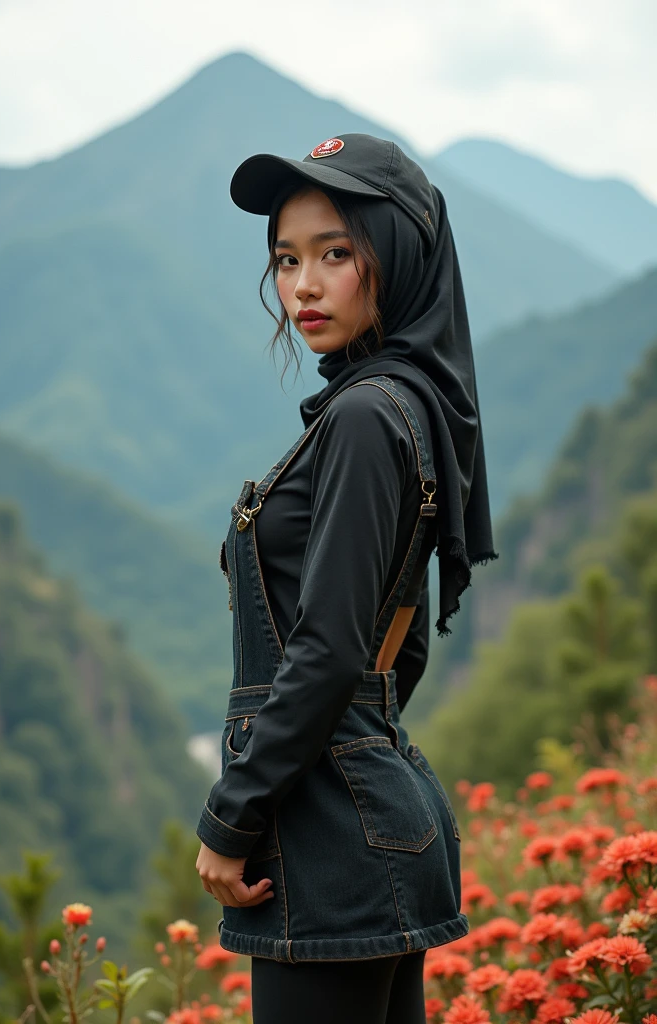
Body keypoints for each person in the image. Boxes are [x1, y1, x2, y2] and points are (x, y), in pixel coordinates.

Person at [195, 133, 499, 1023]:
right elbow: (388, 655)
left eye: (336, 253)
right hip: (368, 817)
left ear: (394, 255)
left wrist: (232, 815)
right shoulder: (401, 403)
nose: (303, 285)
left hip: (327, 837)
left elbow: (329, 650)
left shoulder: (368, 415)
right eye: (288, 258)